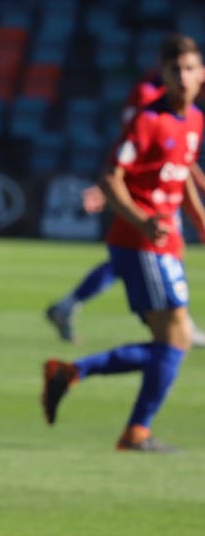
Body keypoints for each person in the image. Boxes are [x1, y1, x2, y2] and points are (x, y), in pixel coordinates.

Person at [43, 33, 205, 453]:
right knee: (176, 340)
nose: (183, 77)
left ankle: (71, 373)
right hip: (140, 242)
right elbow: (111, 177)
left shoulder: (195, 119)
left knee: (174, 341)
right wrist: (141, 219)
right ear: (163, 75)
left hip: (163, 242)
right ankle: (136, 431)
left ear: (201, 74)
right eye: (175, 70)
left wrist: (202, 223)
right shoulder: (148, 120)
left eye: (190, 68)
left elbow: (182, 173)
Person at [45, 65, 205, 347]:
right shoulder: (149, 95)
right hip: (143, 194)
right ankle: (179, 324)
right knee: (147, 252)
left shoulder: (179, 101)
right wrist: (107, 187)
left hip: (162, 187)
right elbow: (137, 144)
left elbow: (177, 148)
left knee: (129, 260)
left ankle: (68, 305)